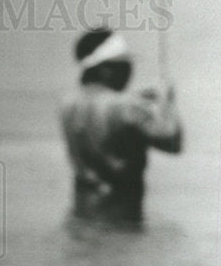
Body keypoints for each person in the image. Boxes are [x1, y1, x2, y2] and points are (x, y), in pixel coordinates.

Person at [59, 28, 183, 223]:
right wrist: (167, 101)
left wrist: (134, 98)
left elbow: (101, 107)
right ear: (105, 69)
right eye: (124, 65)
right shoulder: (127, 108)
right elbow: (172, 141)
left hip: (81, 214)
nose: (130, 71)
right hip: (120, 220)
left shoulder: (67, 103)